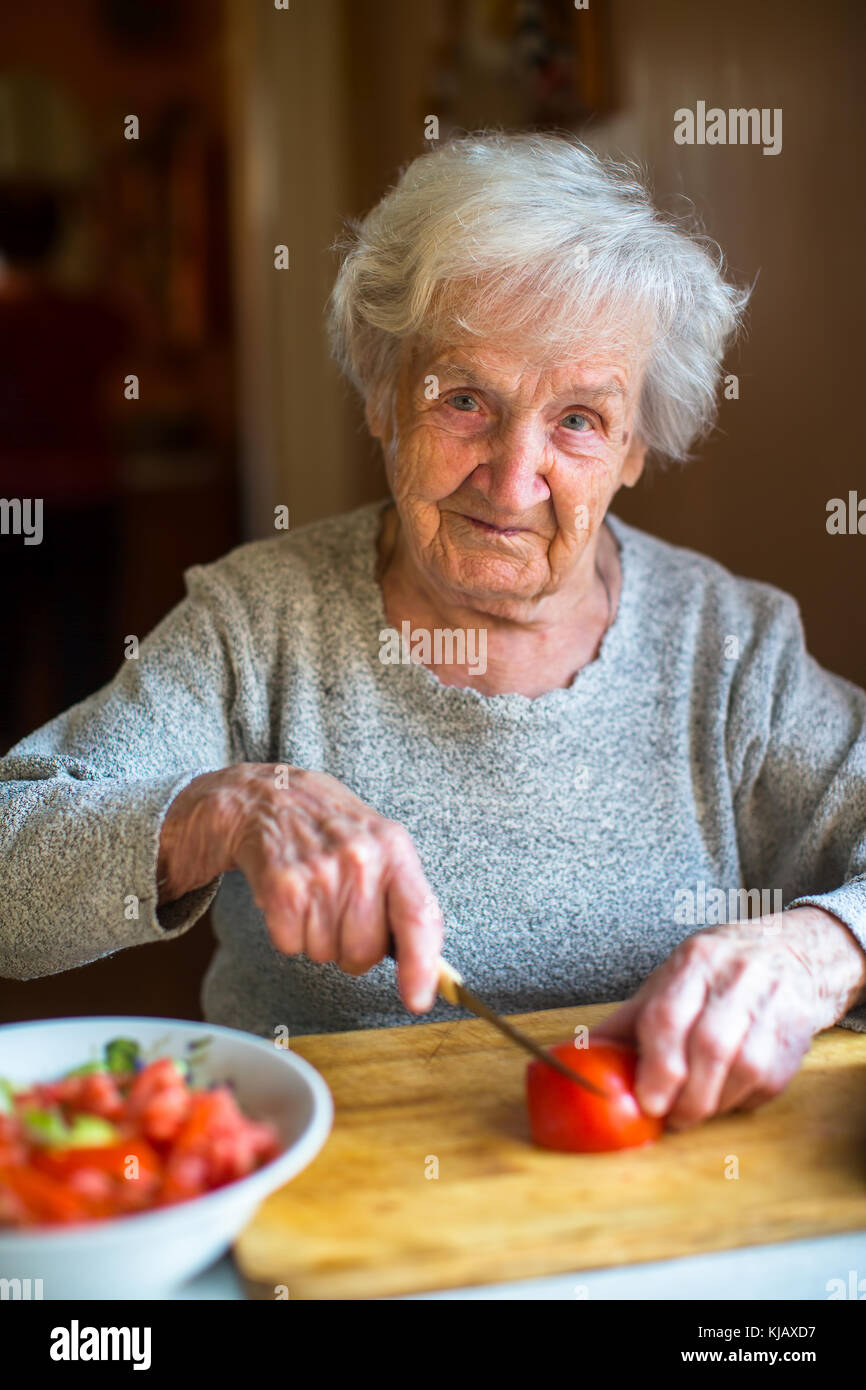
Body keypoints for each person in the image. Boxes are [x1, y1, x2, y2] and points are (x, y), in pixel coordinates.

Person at [1, 133, 864, 1133]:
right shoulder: (257, 626)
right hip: (336, 1223)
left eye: (578, 419)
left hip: (654, 1217)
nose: (509, 478)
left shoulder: (731, 646)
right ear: (379, 393)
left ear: (635, 449)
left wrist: (823, 945)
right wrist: (222, 810)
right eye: (463, 399)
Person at [0, 179, 128, 745]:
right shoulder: (92, 315)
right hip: (84, 499)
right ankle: (81, 777)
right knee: (83, 648)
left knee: (6, 649)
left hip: (11, 503)